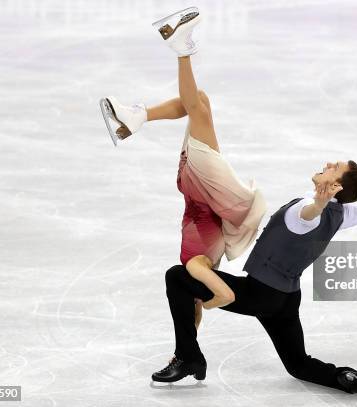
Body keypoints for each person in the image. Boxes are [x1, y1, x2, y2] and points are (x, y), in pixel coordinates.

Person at [148, 7, 357, 397]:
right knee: (298, 364)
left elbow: (307, 217)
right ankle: (345, 378)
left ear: (334, 187)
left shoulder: (307, 212)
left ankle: (188, 356)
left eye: (334, 170)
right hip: (286, 298)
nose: (328, 164)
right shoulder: (346, 213)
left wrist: (316, 202)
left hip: (262, 294)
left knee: (178, 278)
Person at [99, 7, 266, 329]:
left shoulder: (195, 267)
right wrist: (206, 304)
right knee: (199, 101)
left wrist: (209, 302)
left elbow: (227, 296)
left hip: (202, 185)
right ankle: (138, 117)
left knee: (197, 108)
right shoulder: (198, 267)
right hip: (200, 187)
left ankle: (181, 47)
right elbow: (219, 296)